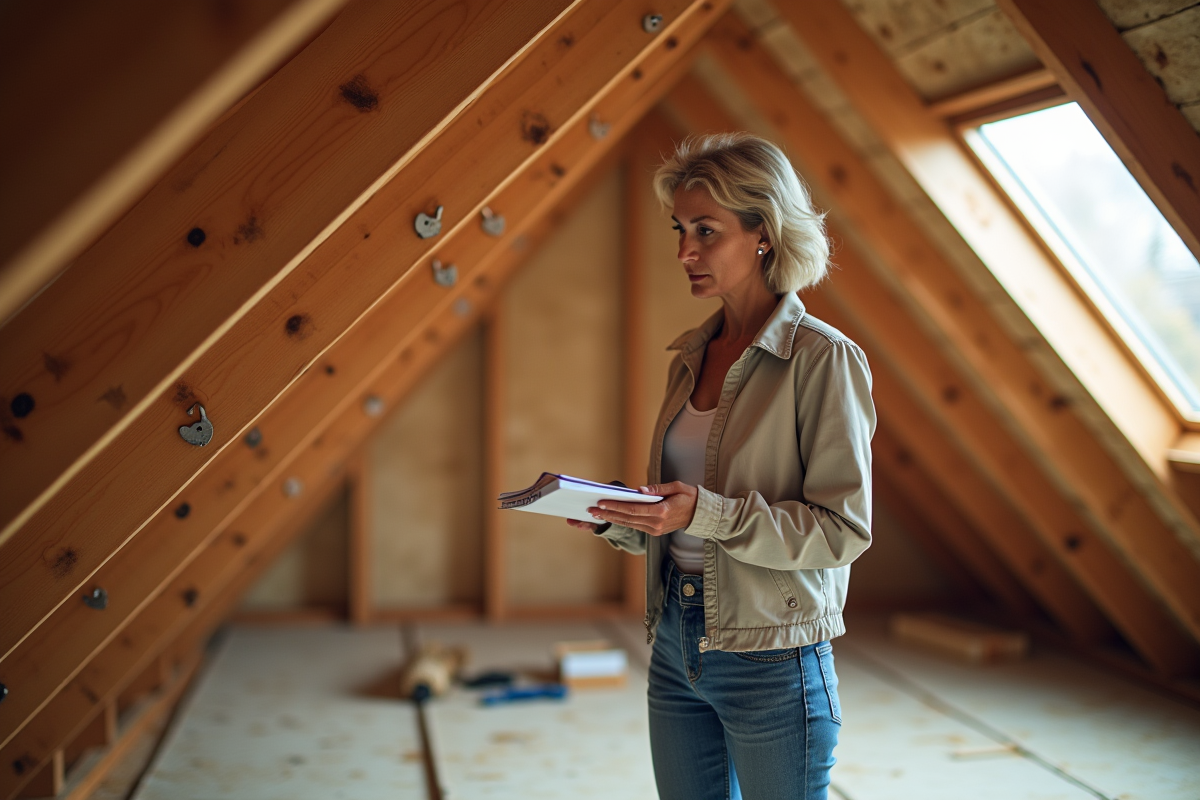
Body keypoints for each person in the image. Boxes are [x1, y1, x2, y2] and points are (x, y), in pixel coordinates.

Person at [567, 132, 875, 800]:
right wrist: (613, 516)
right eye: (679, 229)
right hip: (676, 641)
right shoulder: (691, 355)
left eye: (705, 230)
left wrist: (702, 513)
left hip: (774, 654)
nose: (684, 251)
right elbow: (686, 515)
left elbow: (840, 530)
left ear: (763, 232)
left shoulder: (823, 360)